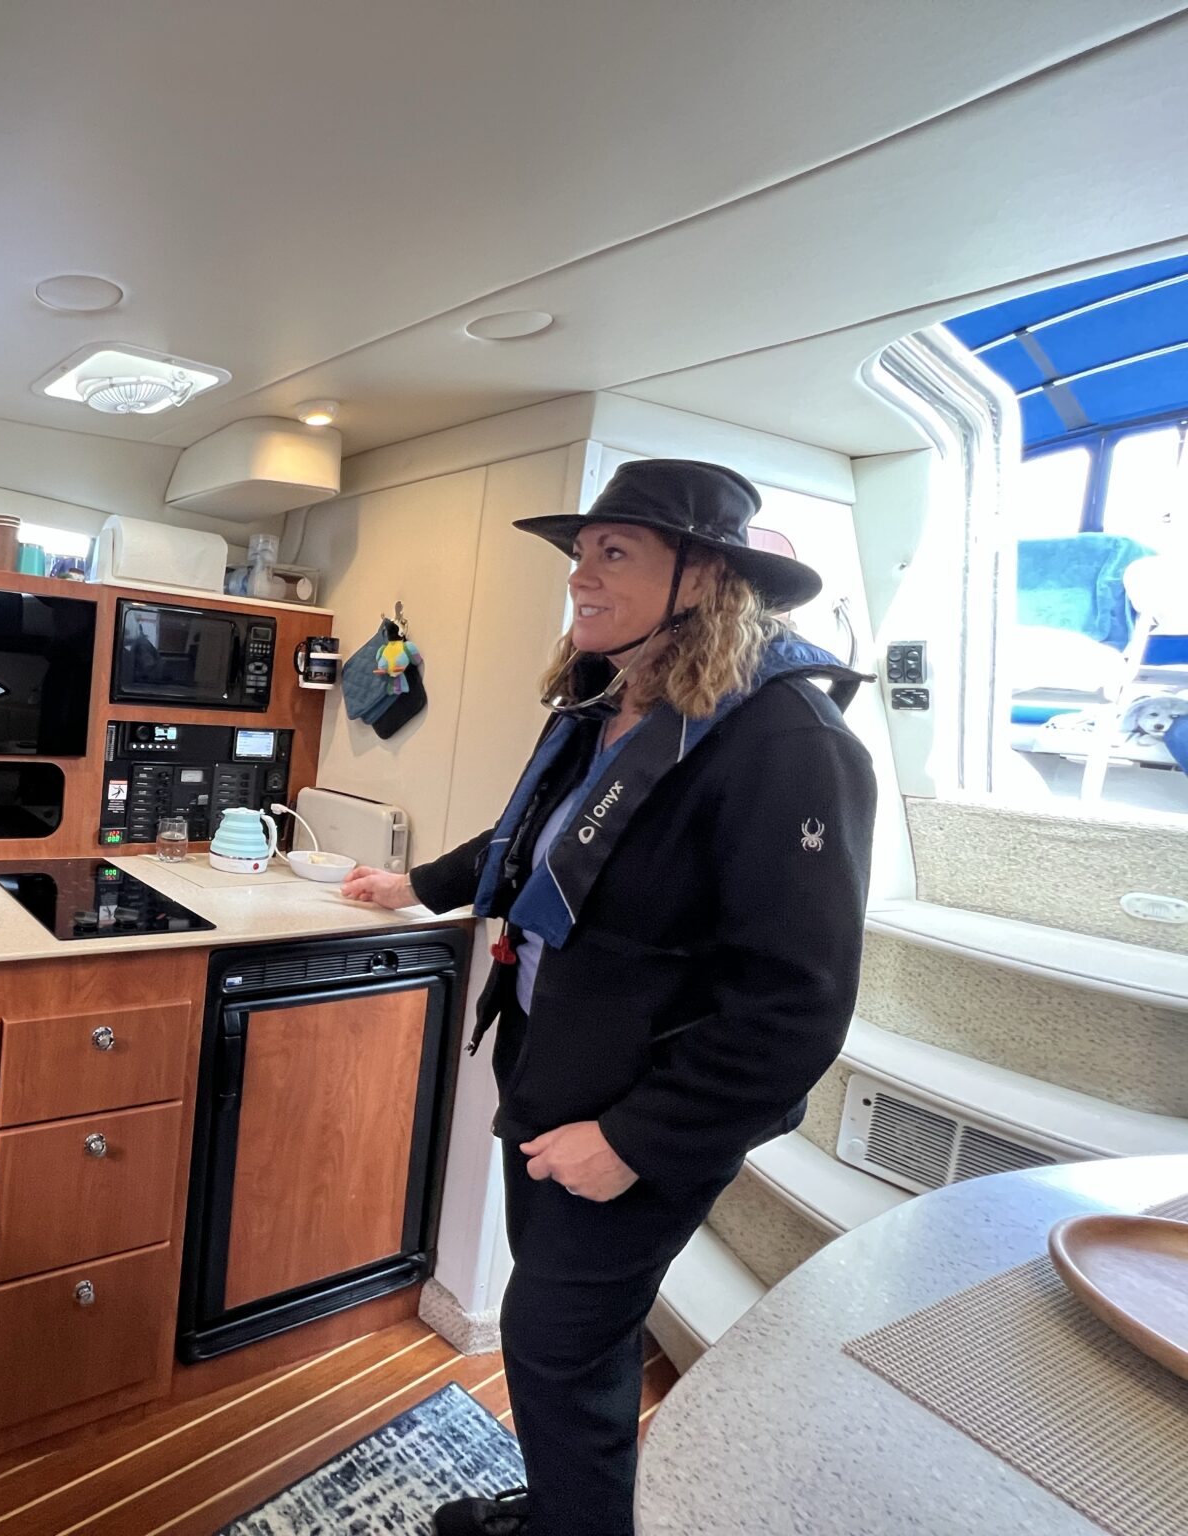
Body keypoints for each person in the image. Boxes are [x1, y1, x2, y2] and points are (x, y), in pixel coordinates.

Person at [342, 460, 876, 1536]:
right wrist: (416, 885)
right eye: (580, 553)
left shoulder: (789, 744)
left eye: (614, 553)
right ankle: (562, 1510)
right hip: (550, 1065)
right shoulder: (609, 707)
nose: (580, 575)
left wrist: (637, 1138)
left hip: (640, 1106)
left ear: (705, 576)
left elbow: (796, 1004)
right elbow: (532, 842)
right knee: (566, 1332)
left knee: (554, 1340)